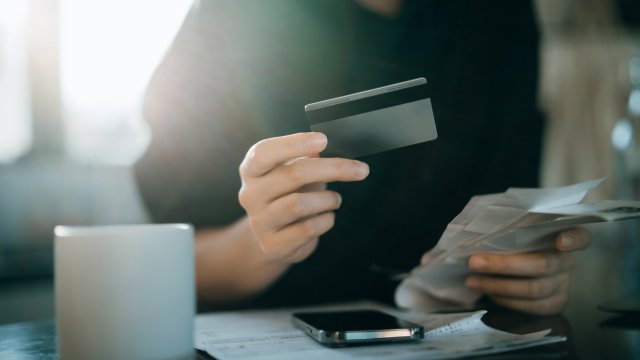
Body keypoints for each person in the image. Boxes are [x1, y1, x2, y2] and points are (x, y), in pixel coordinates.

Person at [135, 0, 591, 315]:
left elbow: (508, 215)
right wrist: (264, 241)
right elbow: (174, 265)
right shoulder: (233, 20)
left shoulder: (499, 17)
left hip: (463, 338)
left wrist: (532, 279)